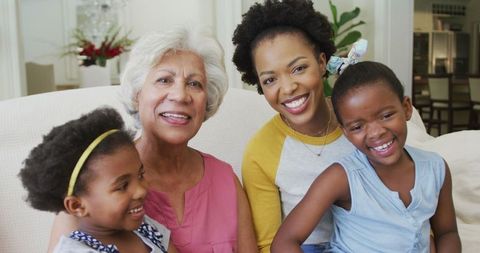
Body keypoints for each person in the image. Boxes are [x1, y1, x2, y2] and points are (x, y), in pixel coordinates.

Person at [48, 25, 257, 253]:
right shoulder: (90, 184)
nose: (180, 95)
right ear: (137, 94)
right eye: (164, 80)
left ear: (206, 101)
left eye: (194, 83)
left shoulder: (225, 180)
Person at [271, 61, 461, 253]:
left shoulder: (436, 168)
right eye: (357, 127)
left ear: (406, 108)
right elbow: (284, 242)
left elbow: (447, 233)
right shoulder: (341, 177)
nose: (375, 133)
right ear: (345, 132)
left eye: (386, 115)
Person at [232, 0, 355, 252]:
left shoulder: (360, 120)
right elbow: (268, 244)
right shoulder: (261, 151)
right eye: (270, 79)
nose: (287, 88)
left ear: (322, 63)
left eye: (298, 68)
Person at [19, 107, 176, 253]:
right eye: (122, 186)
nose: (141, 190)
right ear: (77, 205)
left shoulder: (144, 227)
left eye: (140, 175)